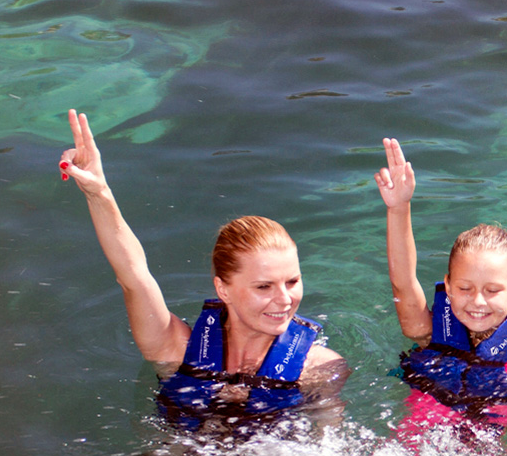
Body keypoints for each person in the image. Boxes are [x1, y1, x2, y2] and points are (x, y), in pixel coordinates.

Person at [58, 109, 347, 434]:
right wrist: (99, 194)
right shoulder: (175, 350)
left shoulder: (319, 368)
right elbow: (134, 277)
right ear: (223, 289)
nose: (284, 299)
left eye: (292, 281)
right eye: (263, 287)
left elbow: (328, 447)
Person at [373, 137, 507, 445]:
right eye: (465, 288)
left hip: (495, 437)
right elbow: (403, 282)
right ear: (448, 286)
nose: (477, 301)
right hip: (426, 434)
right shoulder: (425, 330)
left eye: (492, 290)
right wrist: (399, 208)